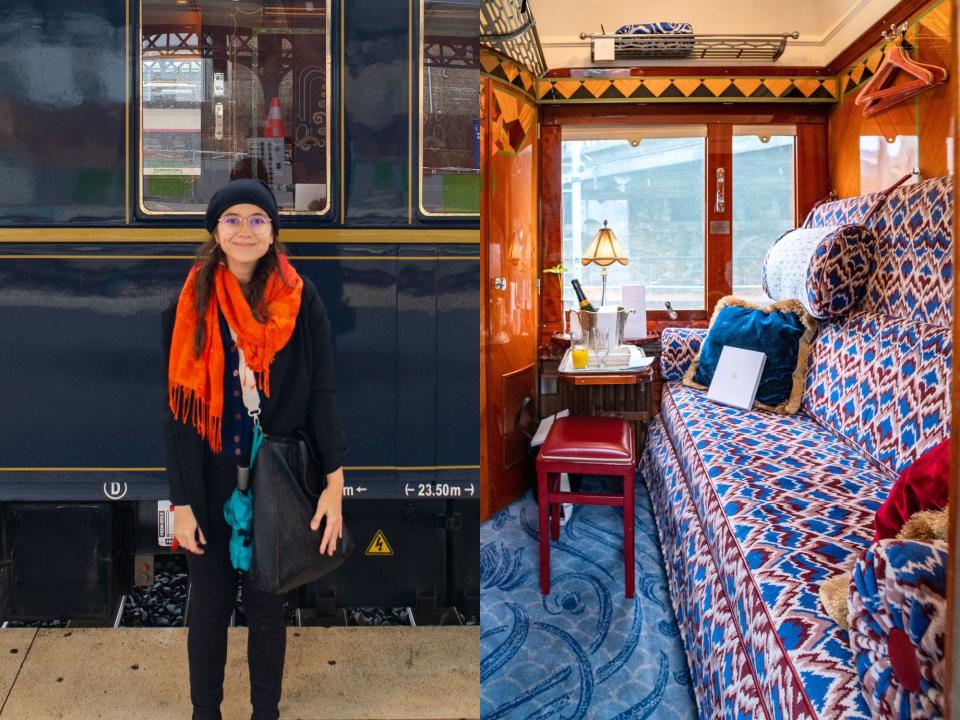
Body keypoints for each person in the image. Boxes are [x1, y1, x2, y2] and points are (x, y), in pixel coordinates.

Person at [161, 179, 346, 720]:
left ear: (272, 233)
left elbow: (322, 394)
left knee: (269, 608)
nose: (245, 229)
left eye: (257, 220)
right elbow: (176, 412)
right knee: (210, 609)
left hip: (277, 478)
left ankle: (266, 711)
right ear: (216, 232)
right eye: (233, 220)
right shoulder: (190, 304)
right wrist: (182, 503)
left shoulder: (300, 298)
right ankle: (206, 713)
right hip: (211, 477)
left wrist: (334, 484)